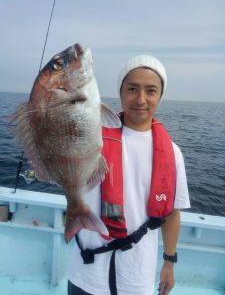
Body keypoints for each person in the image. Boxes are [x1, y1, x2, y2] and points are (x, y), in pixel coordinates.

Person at [68, 54, 190, 295]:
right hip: (86, 271)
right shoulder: (90, 137)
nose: (141, 99)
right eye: (132, 88)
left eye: (151, 91)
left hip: (136, 277)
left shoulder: (172, 153)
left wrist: (169, 262)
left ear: (160, 96)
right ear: (120, 91)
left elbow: (172, 212)